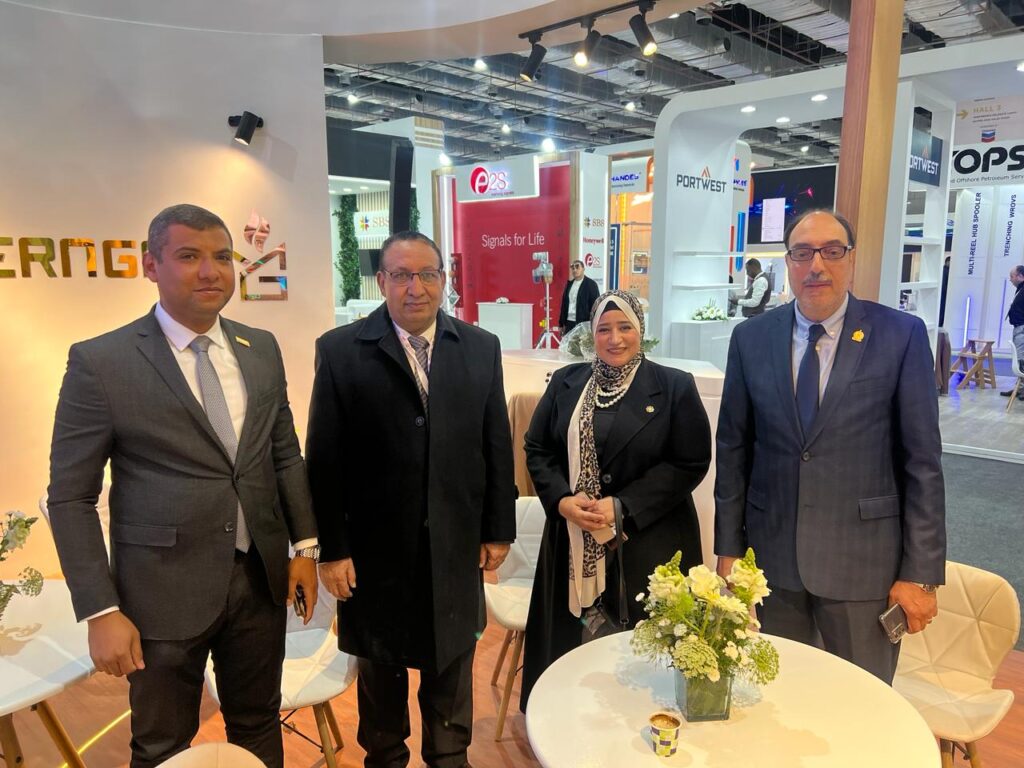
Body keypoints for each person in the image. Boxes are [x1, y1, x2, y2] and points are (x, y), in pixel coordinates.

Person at [47, 204, 319, 768]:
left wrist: (305, 547)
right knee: (161, 744)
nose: (210, 271)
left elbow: (284, 454)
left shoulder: (260, 348)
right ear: (151, 265)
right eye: (189, 256)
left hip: (258, 581)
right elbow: (71, 497)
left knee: (258, 724)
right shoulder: (102, 362)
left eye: (222, 256)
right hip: (160, 594)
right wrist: (100, 610)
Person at [305, 231, 516, 768]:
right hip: (373, 556)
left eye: (427, 274)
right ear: (382, 282)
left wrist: (498, 528)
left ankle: (449, 758)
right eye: (401, 275)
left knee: (452, 674)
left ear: (444, 279)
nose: (415, 287)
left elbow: (495, 442)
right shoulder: (341, 350)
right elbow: (324, 460)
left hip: (455, 547)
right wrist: (332, 550)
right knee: (381, 682)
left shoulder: (480, 347)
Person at [714, 209, 946, 684]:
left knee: (860, 706)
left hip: (863, 569)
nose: (816, 265)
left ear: (851, 259)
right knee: (777, 698)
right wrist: (728, 549)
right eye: (802, 253)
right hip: (772, 564)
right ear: (788, 262)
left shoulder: (900, 336)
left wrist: (920, 573)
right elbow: (734, 450)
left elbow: (922, 464)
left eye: (831, 251)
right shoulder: (751, 339)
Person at [520, 289, 711, 709]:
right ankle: (564, 719)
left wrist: (623, 506)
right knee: (569, 653)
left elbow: (690, 461)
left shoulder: (673, 386)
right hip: (572, 537)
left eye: (625, 327)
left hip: (649, 541)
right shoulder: (566, 383)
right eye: (604, 329)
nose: (615, 338)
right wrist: (561, 500)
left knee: (644, 665)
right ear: (592, 334)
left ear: (640, 330)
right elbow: (538, 448)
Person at [1000, 264, 1024, 400]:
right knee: (1020, 359)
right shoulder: (1020, 289)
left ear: (1020, 276)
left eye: (1012, 276)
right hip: (1018, 328)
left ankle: (1021, 389)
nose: (1010, 279)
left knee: (1021, 360)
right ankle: (1019, 388)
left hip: (1022, 328)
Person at [558, 259, 600, 334]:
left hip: (584, 324)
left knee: (583, 342)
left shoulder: (591, 285)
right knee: (569, 342)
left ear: (583, 269)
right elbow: (564, 305)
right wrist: (561, 324)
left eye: (577, 267)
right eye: (573, 268)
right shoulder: (569, 285)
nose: (575, 270)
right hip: (569, 322)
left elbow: (596, 306)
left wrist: (594, 324)